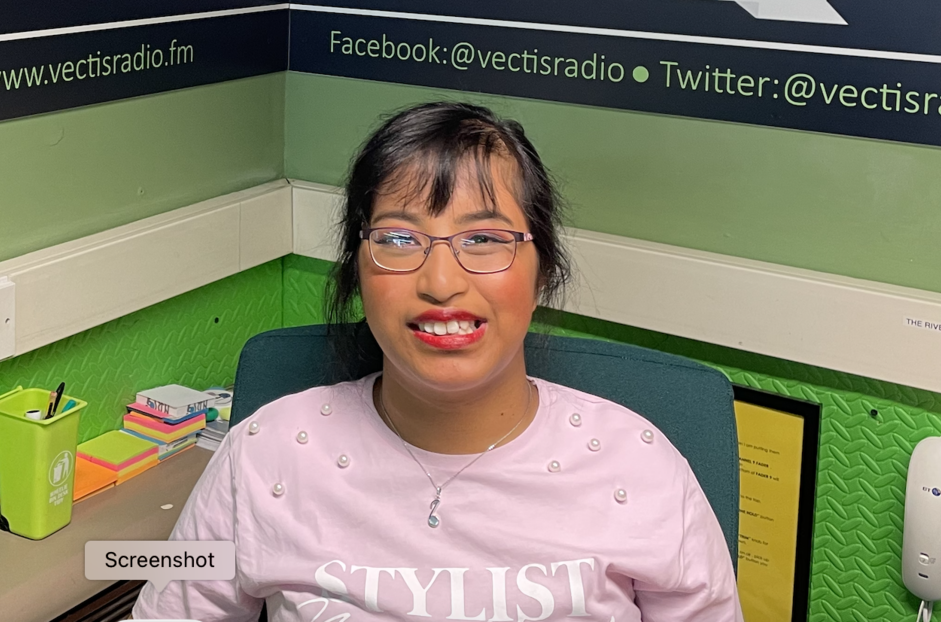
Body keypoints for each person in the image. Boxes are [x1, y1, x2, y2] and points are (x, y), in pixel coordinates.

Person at [134, 102, 743, 622]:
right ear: (357, 271)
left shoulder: (643, 469)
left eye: (485, 239)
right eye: (399, 239)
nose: (442, 282)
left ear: (543, 272)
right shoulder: (257, 455)